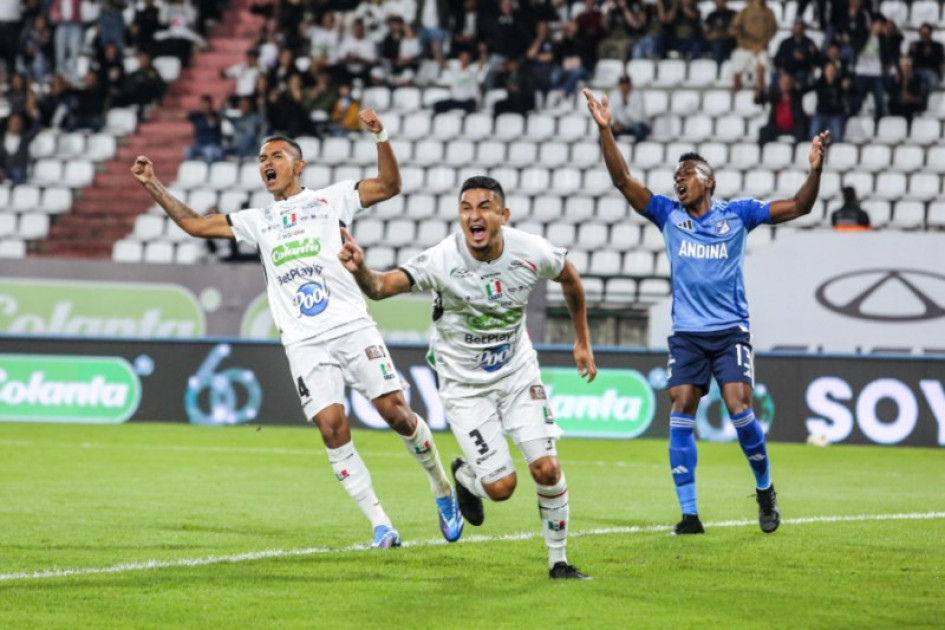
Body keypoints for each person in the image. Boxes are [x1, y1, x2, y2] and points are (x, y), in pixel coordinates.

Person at [130, 109, 464, 550]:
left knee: (396, 414)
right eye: (262, 159)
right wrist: (153, 184)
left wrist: (380, 135)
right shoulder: (257, 221)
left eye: (277, 155)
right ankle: (381, 524)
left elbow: (389, 186)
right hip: (303, 341)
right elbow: (195, 225)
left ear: (298, 165)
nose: (266, 163)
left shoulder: (330, 199)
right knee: (331, 428)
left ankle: (442, 488)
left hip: (350, 326)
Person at [584, 88, 830, 535]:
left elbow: (801, 205)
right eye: (676, 175)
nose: (679, 180)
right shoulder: (666, 214)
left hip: (730, 332)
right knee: (681, 407)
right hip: (688, 335)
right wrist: (606, 130)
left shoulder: (738, 214)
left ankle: (764, 490)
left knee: (740, 408)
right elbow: (624, 182)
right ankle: (690, 515)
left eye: (688, 173)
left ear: (709, 180)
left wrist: (814, 171)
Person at [337, 175, 598, 580]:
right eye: (466, 208)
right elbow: (381, 286)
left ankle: (558, 561)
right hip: (464, 385)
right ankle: (464, 476)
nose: (474, 216)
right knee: (501, 488)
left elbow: (570, 278)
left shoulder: (530, 251)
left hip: (516, 373)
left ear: (502, 215)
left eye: (484, 207)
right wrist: (360, 270)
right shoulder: (444, 258)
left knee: (546, 469)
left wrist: (582, 341)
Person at [728, 0, 778, 91]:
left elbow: (773, 29)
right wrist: (738, 31)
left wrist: (763, 43)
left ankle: (760, 89)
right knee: (738, 64)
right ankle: (738, 85)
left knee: (762, 64)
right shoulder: (745, 11)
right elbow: (733, 28)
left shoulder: (769, 12)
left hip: (761, 47)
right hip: (745, 47)